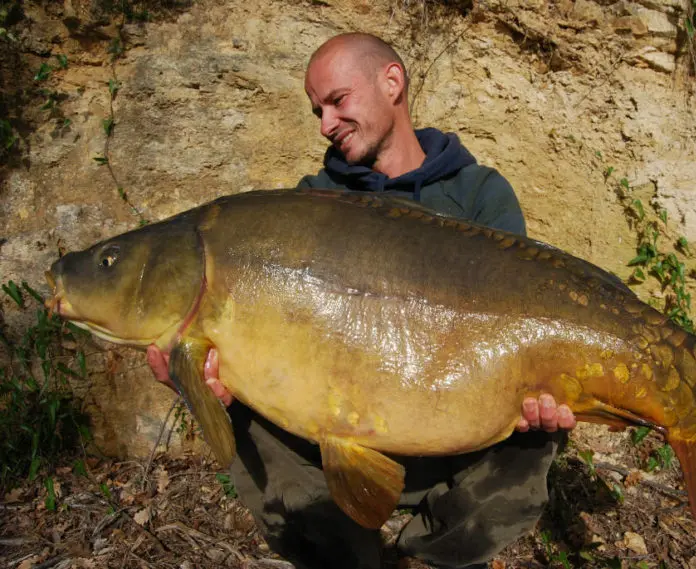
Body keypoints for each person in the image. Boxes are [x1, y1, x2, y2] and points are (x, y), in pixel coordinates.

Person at [147, 33, 575, 569]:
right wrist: (208, 384)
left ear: (391, 82)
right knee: (248, 420)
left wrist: (542, 392)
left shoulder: (479, 195)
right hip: (331, 456)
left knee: (540, 431)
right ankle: (346, 553)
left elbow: (525, 318)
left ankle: (428, 557)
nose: (325, 124)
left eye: (337, 100)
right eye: (317, 111)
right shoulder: (306, 206)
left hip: (455, 442)